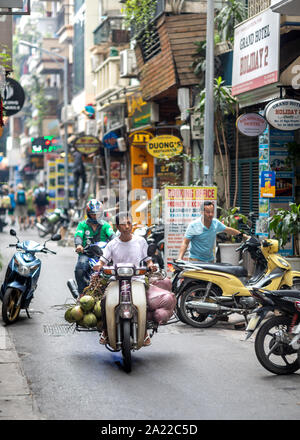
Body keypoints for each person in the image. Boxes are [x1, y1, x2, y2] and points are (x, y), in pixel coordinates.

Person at [93, 211, 175, 347]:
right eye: (123, 224)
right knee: (104, 301)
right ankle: (106, 330)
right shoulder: (112, 244)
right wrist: (99, 265)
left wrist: (151, 266)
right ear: (117, 227)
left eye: (129, 223)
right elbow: (103, 259)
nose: (127, 226)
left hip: (137, 279)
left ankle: (144, 332)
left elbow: (147, 259)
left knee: (144, 302)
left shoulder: (140, 241)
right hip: (116, 279)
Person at [178, 201, 249, 263]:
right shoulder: (193, 225)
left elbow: (229, 230)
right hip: (195, 260)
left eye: (212, 212)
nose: (211, 214)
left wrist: (244, 236)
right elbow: (185, 243)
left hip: (210, 260)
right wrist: (180, 259)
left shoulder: (215, 223)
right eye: (208, 212)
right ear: (201, 212)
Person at [74, 199, 115, 296]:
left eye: (97, 214)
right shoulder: (82, 225)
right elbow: (78, 236)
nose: (95, 216)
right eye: (93, 214)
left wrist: (118, 242)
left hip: (103, 255)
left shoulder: (105, 225)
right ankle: (81, 293)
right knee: (80, 269)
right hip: (87, 254)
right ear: (88, 214)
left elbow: (112, 235)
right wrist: (79, 245)